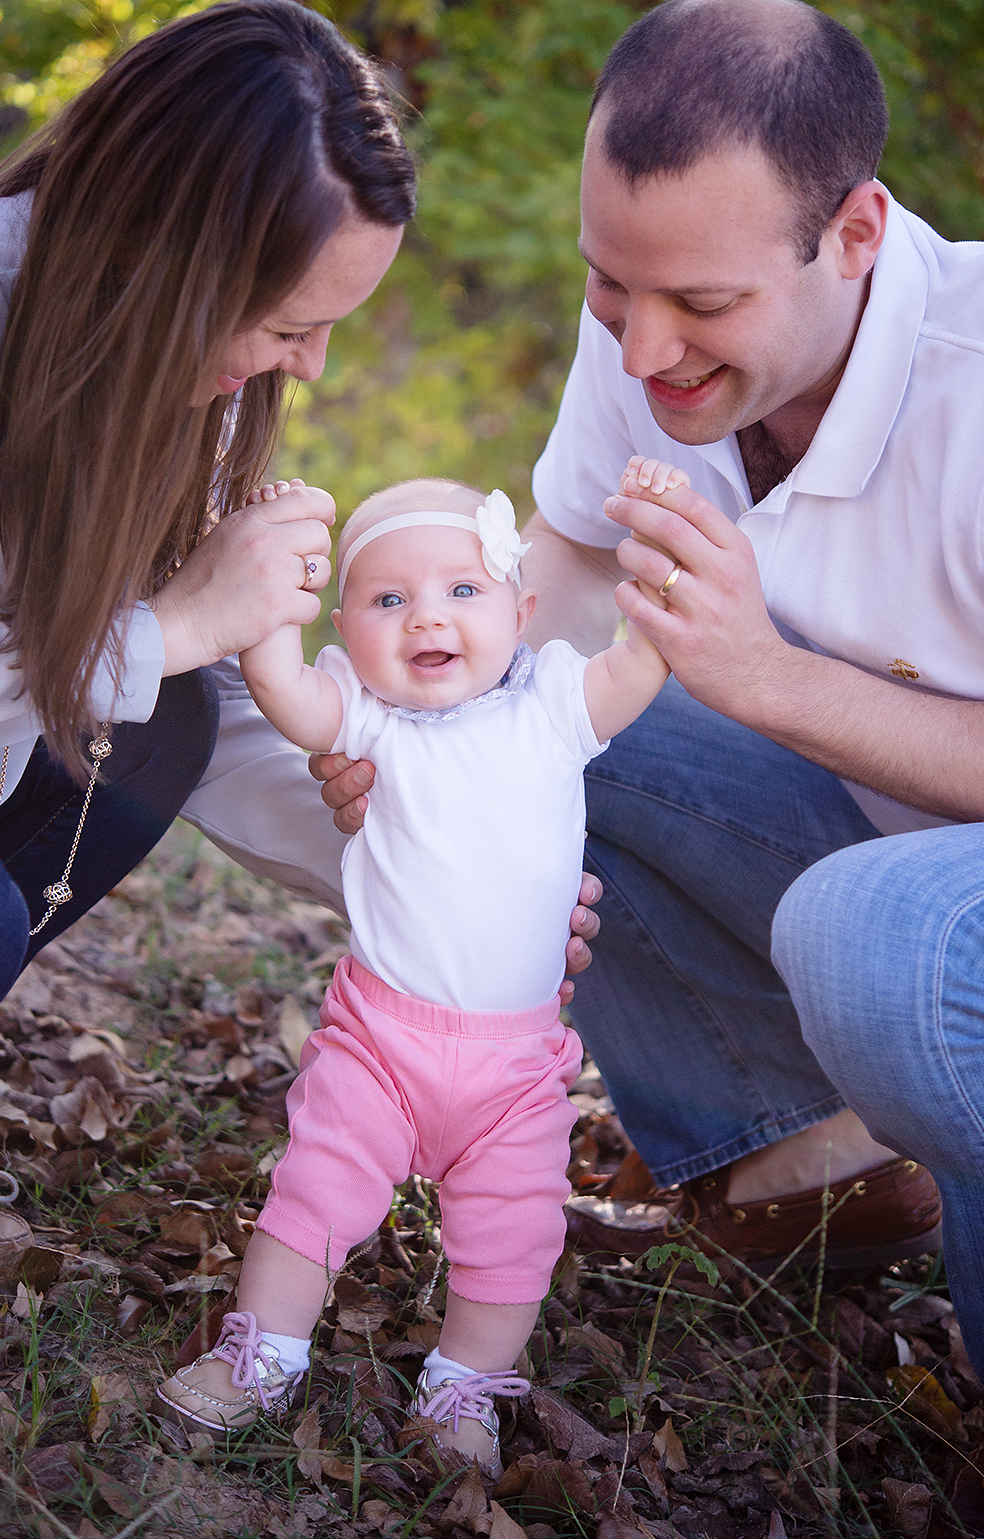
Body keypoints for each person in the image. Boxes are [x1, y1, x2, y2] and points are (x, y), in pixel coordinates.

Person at [0, 0, 596, 1201]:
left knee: (160, 714)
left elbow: (190, 704)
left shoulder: (175, 371)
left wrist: (455, 865)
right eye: (290, 325)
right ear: (166, 258)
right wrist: (177, 624)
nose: (311, 365)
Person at [513, 0, 984, 1453]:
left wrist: (777, 681)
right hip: (862, 828)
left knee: (888, 936)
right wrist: (426, 729)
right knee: (532, 703)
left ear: (855, 232)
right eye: (613, 285)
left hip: (947, 893)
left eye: (704, 305)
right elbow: (562, 564)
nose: (641, 349)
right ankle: (802, 1172)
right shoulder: (656, 319)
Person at [157, 472, 676, 1470]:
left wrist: (659, 564)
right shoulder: (367, 718)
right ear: (347, 629)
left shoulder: (554, 706)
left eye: (462, 592)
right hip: (381, 1041)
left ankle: (462, 1393)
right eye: (388, 600)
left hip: (516, 1066)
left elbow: (642, 661)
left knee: (514, 1232)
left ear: (522, 614)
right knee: (315, 1189)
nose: (427, 616)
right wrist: (275, 598)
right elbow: (282, 691)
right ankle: (261, 1354)